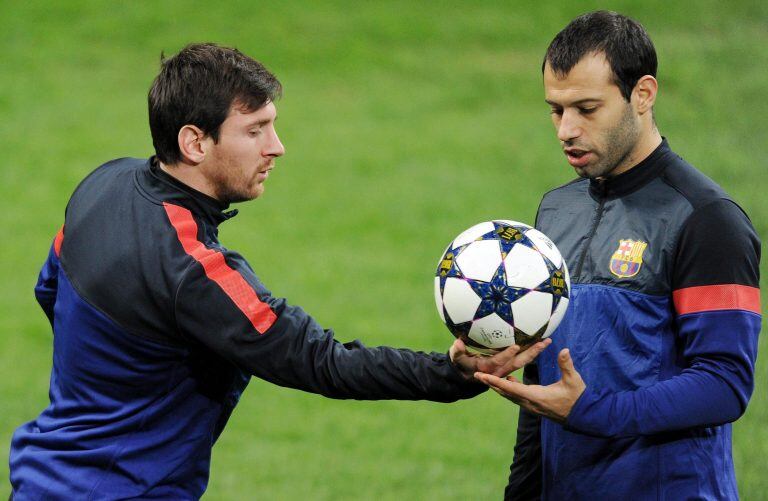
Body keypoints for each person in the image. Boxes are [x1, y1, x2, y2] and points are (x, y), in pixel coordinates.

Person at [8, 43, 548, 499]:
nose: (277, 147)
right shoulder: (194, 272)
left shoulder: (102, 185)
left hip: (38, 477)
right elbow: (323, 363)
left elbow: (49, 287)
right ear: (195, 142)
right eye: (255, 130)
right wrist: (452, 374)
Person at [474, 11, 761, 500]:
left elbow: (724, 382)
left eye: (587, 109)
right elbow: (542, 382)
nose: (566, 130)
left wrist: (591, 411)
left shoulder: (706, 219)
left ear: (643, 95)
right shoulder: (555, 209)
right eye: (556, 110)